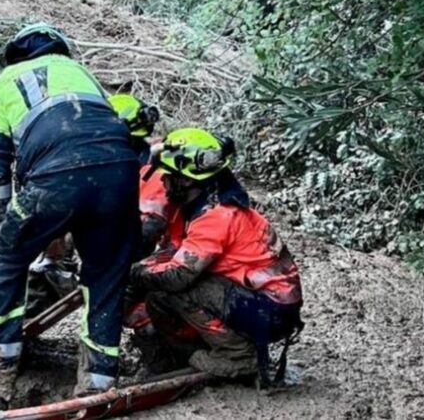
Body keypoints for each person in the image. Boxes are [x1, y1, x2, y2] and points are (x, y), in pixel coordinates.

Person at [0, 23, 142, 399]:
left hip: (55, 178)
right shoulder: (84, 75)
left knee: (6, 257)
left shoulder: (6, 80)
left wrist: (3, 214)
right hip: (119, 175)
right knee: (106, 276)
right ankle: (98, 381)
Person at [130, 128, 303, 384]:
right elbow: (172, 249)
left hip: (270, 308)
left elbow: (178, 274)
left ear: (187, 179)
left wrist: (133, 272)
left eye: (168, 176)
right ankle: (198, 347)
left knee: (171, 293)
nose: (163, 183)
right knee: (160, 293)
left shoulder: (217, 215)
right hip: (258, 297)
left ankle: (237, 356)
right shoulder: (196, 205)